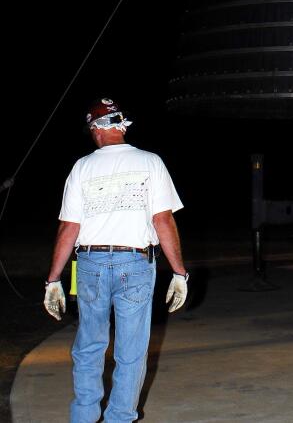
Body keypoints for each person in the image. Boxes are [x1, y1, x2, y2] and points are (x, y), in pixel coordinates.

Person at [44, 97, 188, 423]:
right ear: (122, 126)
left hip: (90, 265)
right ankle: (120, 418)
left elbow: (69, 227)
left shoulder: (82, 167)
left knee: (89, 345)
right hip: (136, 263)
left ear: (95, 131)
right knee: (131, 351)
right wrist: (179, 272)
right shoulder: (151, 162)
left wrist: (53, 279)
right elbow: (162, 221)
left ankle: (83, 416)